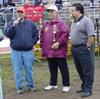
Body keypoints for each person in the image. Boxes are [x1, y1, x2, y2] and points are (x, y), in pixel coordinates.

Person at [4, 7, 39, 94]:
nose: (20, 14)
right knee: (17, 70)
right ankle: (19, 87)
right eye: (18, 12)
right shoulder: (12, 24)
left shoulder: (31, 24)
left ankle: (30, 85)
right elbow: (8, 34)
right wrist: (13, 25)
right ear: (16, 14)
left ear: (25, 13)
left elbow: (36, 35)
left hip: (28, 51)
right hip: (16, 52)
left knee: (29, 70)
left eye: (21, 12)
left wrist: (32, 43)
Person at [40, 5, 70, 93]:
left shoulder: (61, 23)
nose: (50, 13)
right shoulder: (45, 24)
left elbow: (65, 34)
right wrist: (43, 46)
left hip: (59, 51)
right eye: (49, 12)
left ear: (57, 13)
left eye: (52, 12)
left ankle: (66, 85)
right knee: (52, 68)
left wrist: (58, 43)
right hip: (49, 51)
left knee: (63, 68)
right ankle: (53, 84)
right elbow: (42, 36)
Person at [70, 3, 95, 97]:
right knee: (79, 69)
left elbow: (91, 36)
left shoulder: (86, 21)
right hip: (75, 49)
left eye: (72, 10)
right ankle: (84, 86)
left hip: (83, 48)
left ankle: (88, 90)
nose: (71, 12)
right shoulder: (74, 22)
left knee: (87, 69)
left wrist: (87, 47)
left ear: (78, 11)